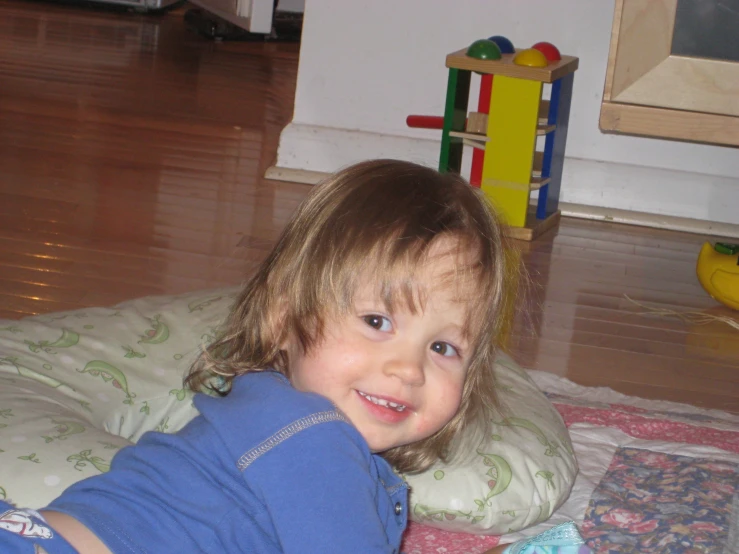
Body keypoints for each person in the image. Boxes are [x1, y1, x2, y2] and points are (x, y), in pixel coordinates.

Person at [0, 159, 513, 553]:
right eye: (377, 322)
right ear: (280, 320)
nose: (409, 368)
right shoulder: (312, 437)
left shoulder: (266, 414)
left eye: (443, 347)